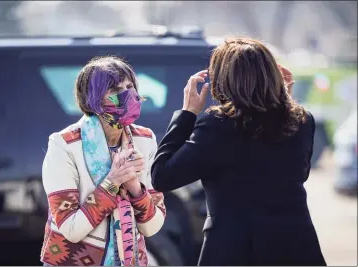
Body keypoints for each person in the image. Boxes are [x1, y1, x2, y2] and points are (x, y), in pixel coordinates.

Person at [151, 37, 326, 266]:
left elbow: (162, 176)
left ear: (225, 80)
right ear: (271, 74)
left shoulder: (217, 125)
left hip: (234, 251)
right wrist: (284, 101)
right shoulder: (302, 120)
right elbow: (295, 175)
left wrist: (187, 114)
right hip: (297, 247)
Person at [41, 56, 166, 266]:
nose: (128, 95)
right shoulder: (64, 145)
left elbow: (152, 226)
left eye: (130, 87)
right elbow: (71, 229)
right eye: (116, 90)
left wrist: (135, 187)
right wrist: (112, 182)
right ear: (93, 98)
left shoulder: (144, 140)